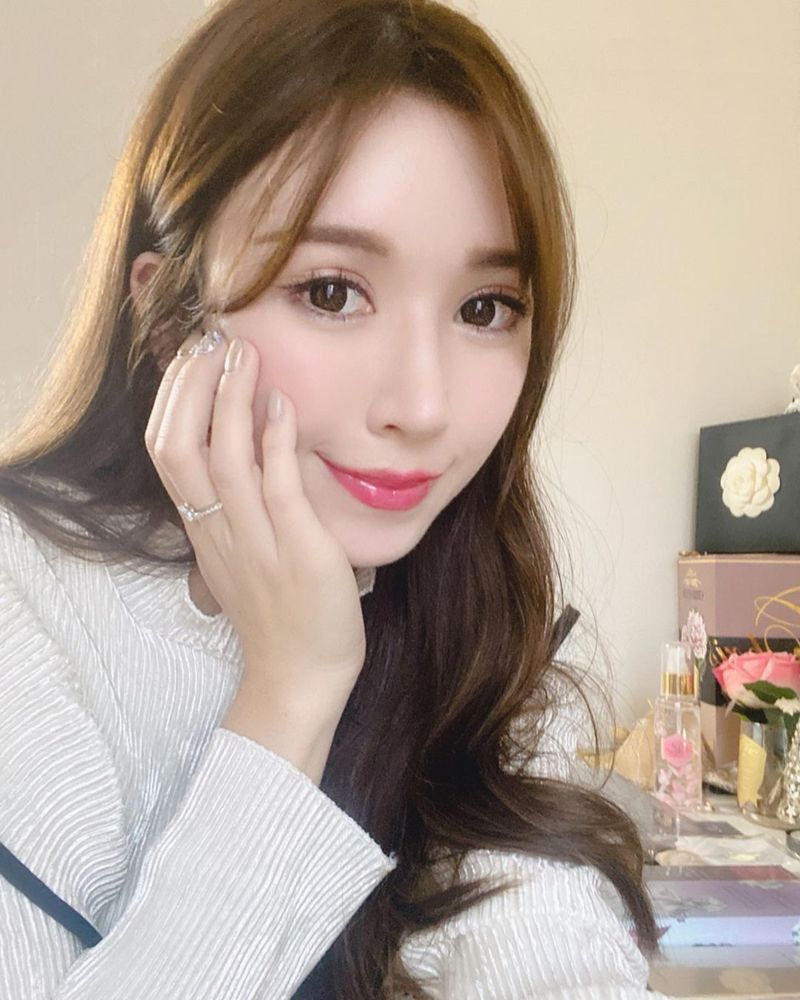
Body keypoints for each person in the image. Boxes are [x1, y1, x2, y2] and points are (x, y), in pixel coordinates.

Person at [0, 0, 669, 996]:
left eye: (484, 308)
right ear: (168, 318)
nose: (423, 407)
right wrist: (292, 688)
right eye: (329, 292)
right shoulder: (26, 603)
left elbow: (538, 921)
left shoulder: (475, 595)